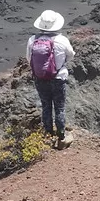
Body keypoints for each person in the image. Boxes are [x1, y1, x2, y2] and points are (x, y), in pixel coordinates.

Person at [26, 10, 75, 149]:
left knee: (46, 106)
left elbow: (28, 59)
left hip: (40, 78)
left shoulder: (32, 40)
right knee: (59, 108)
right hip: (59, 77)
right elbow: (70, 55)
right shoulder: (62, 40)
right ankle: (61, 138)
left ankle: (47, 135)